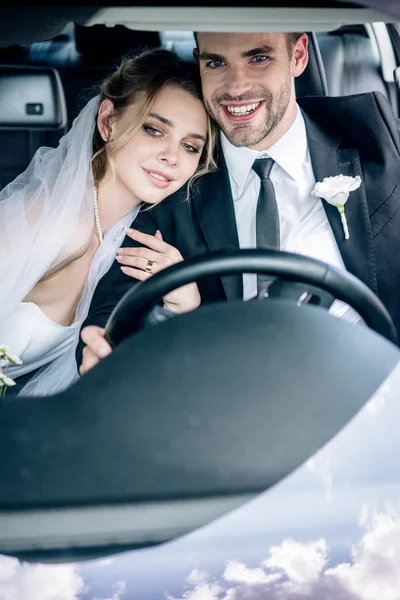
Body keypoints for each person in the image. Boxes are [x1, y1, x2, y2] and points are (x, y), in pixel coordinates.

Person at [78, 31, 400, 372]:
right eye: (216, 63)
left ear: (298, 55)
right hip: (227, 402)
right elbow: (113, 315)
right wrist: (106, 352)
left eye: (258, 58)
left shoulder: (376, 136)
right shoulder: (172, 176)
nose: (235, 87)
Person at [0, 47, 217, 396]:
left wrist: (185, 301)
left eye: (191, 147)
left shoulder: (128, 234)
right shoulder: (46, 222)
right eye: (154, 130)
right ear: (107, 121)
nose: (172, 157)